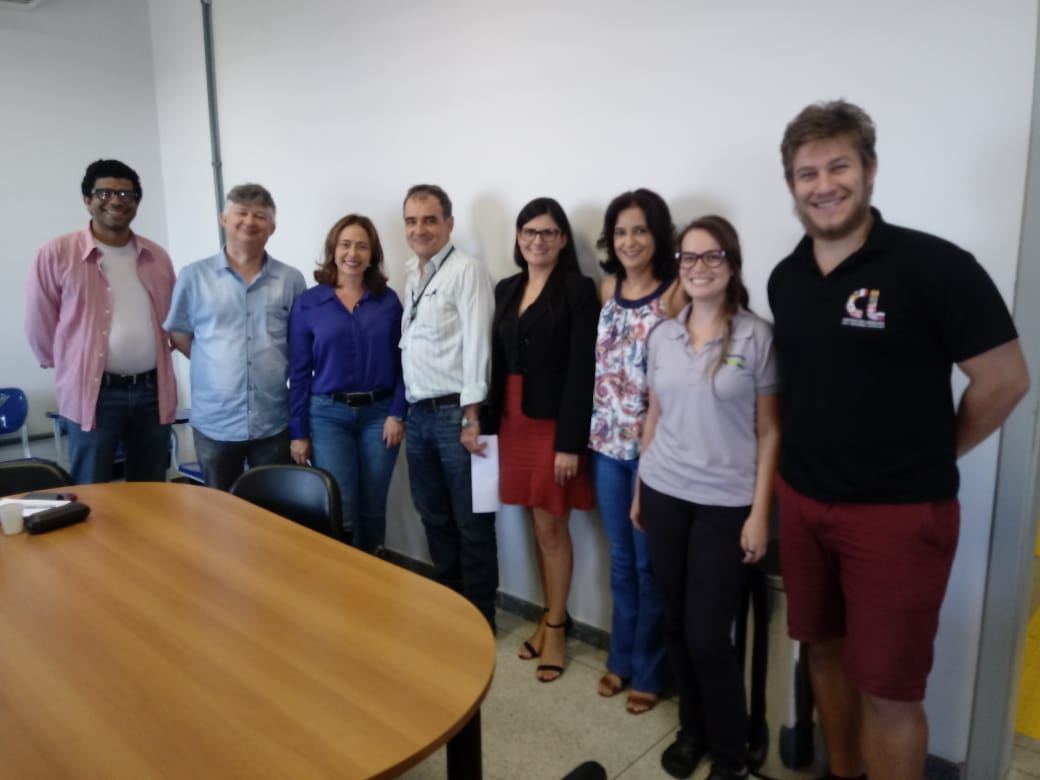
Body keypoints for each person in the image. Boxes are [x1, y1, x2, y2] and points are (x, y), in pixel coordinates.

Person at [769, 100, 1029, 780]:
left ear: (870, 169)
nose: (823, 184)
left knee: (890, 690)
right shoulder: (787, 277)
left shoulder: (935, 267)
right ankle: (844, 772)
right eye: (806, 172)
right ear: (791, 184)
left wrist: (934, 453)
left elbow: (1004, 380)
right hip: (801, 500)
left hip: (897, 517)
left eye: (838, 166)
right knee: (821, 650)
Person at [635, 216, 780, 780]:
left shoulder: (757, 337)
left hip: (727, 504)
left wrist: (760, 513)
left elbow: (771, 432)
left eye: (710, 257)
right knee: (674, 623)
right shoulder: (662, 335)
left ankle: (730, 751)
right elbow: (655, 414)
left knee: (706, 634)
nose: (698, 268)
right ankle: (690, 730)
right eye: (688, 259)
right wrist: (642, 486)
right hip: (666, 491)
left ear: (732, 264)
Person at [484, 197, 598, 681]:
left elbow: (582, 370)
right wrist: (483, 424)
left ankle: (555, 625)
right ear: (517, 237)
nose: (538, 240)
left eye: (548, 233)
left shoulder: (577, 290)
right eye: (529, 232)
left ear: (563, 239)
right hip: (511, 416)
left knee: (553, 525)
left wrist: (569, 442)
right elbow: (496, 360)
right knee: (535, 523)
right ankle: (548, 616)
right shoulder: (507, 287)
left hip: (553, 424)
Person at [588, 189, 684, 714]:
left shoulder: (673, 296)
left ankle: (649, 671)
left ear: (658, 235)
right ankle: (619, 659)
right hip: (606, 446)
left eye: (640, 230)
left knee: (650, 568)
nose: (630, 241)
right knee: (621, 563)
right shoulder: (608, 289)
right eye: (621, 231)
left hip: (656, 454)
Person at [26, 159, 177, 484]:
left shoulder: (157, 256)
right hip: (93, 393)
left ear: (136, 201)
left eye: (127, 193)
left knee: (152, 489)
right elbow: (40, 322)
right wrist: (68, 366)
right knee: (92, 488)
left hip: (153, 390)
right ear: (87, 199)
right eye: (105, 192)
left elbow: (174, 318)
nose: (117, 200)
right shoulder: (56, 253)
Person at [398, 184, 498, 629]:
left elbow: (479, 347)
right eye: (412, 220)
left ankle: (479, 618)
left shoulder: (466, 270)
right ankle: (450, 606)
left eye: (430, 219)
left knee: (472, 522)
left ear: (449, 224)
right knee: (434, 517)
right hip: (419, 415)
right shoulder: (412, 274)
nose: (420, 229)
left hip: (457, 416)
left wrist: (473, 416)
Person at [164, 184, 306, 491]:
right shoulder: (194, 276)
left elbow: (298, 345)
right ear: (223, 219)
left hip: (272, 421)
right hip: (215, 421)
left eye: (260, 216)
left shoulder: (291, 280)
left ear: (272, 227)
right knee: (218, 514)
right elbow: (180, 334)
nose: (250, 221)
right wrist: (217, 364)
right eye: (241, 213)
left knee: (274, 511)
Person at [288, 214, 406, 553]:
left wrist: (398, 413)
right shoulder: (309, 303)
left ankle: (374, 579)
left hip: (379, 416)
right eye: (345, 244)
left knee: (373, 506)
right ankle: (342, 583)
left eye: (361, 246)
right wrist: (299, 432)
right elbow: (298, 373)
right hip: (327, 416)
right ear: (333, 250)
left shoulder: (388, 302)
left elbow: (404, 364)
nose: (352, 253)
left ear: (372, 255)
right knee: (342, 505)